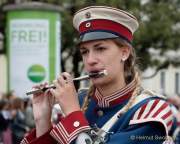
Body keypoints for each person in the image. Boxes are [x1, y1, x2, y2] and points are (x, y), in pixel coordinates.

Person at [21, 6, 174, 144]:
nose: (90, 60)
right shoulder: (77, 101)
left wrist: (73, 114)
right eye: (84, 52)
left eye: (100, 49)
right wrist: (42, 122)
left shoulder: (152, 110)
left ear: (124, 52)